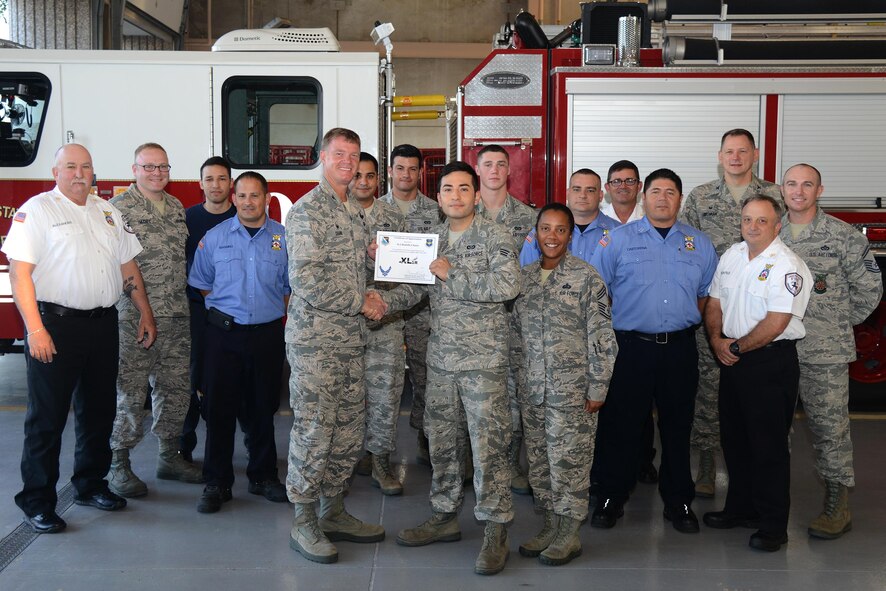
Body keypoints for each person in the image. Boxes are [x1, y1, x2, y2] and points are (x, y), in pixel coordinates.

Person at [3, 143, 155, 533]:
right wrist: (35, 330)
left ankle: (90, 484)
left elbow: (127, 264)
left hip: (102, 325)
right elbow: (19, 274)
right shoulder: (37, 211)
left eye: (85, 166)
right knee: (47, 418)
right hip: (55, 326)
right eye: (70, 166)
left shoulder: (107, 211)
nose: (79, 173)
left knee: (99, 411)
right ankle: (37, 500)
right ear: (55, 172)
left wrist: (145, 312)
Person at [383, 161, 521, 576]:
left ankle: (496, 531)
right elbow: (413, 288)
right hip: (442, 361)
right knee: (442, 444)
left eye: (464, 188)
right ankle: (444, 516)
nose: (456, 196)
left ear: (477, 195)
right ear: (439, 198)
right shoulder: (433, 240)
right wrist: (382, 297)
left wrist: (453, 274)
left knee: (488, 449)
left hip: (483, 364)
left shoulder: (496, 236)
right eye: (447, 189)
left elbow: (507, 286)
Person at [589, 168, 717, 534]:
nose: (663, 198)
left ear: (680, 198)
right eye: (656, 191)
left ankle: (679, 502)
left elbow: (706, 294)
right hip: (631, 349)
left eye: (671, 192)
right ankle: (612, 496)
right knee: (622, 426)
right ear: (644, 195)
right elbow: (600, 294)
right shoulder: (616, 240)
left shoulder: (699, 243)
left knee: (678, 429)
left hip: (680, 349)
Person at [286, 128, 387, 564]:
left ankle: (332, 510)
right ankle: (304, 519)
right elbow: (305, 280)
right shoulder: (309, 211)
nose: (348, 162)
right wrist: (360, 301)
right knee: (314, 430)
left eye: (355, 155)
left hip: (350, 340)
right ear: (323, 157)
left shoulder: (354, 211)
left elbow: (352, 264)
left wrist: (374, 256)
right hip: (316, 344)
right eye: (340, 154)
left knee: (347, 429)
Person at [703, 194, 812, 552]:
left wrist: (733, 347)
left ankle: (772, 526)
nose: (753, 226)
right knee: (734, 440)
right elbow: (715, 301)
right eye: (747, 219)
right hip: (732, 358)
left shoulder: (787, 265)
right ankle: (741, 508)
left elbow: (777, 321)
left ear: (777, 226)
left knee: (768, 448)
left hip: (768, 363)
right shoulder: (732, 256)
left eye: (762, 221)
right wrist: (717, 339)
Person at [778, 164, 882, 539]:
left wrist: (835, 323)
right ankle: (772, 502)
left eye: (807, 184)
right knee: (774, 428)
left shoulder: (842, 236)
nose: (799, 191)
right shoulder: (766, 231)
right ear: (782, 189)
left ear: (820, 190)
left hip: (825, 352)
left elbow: (870, 289)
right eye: (792, 184)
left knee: (829, 429)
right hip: (774, 351)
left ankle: (838, 504)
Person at [680, 129, 782, 498]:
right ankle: (706, 463)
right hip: (715, 308)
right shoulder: (701, 196)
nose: (735, 157)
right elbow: (687, 248)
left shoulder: (775, 195)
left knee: (758, 395)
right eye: (729, 151)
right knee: (708, 390)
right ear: (719, 156)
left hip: (761, 311)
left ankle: (755, 467)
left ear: (755, 154)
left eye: (742, 151)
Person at [514, 203, 617, 566]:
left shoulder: (588, 278)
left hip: (572, 391)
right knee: (540, 463)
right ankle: (549, 524)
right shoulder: (522, 278)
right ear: (536, 233)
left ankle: (570, 533)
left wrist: (598, 387)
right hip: (533, 390)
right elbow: (514, 337)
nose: (552, 237)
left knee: (569, 463)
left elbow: (603, 336)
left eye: (560, 230)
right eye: (545, 229)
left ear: (570, 235)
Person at [188, 171, 290, 513]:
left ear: (267, 198)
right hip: (224, 336)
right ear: (234, 198)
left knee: (263, 407)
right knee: (219, 410)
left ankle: (263, 476)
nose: (248, 202)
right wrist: (231, 312)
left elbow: (290, 288)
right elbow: (202, 285)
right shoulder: (214, 238)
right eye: (242, 196)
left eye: (255, 196)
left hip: (267, 336)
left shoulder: (283, 238)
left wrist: (263, 311)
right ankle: (217, 482)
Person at [107, 143, 202, 497]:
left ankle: (169, 455)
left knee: (175, 389)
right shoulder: (118, 210)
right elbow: (119, 266)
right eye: (149, 167)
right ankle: (118, 463)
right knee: (131, 393)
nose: (157, 173)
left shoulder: (176, 207)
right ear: (134, 169)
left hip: (177, 314)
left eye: (163, 167)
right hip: (134, 318)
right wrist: (144, 311)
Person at [474, 144, 537, 495]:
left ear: (509, 171)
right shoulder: (462, 213)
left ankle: (511, 462)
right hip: (473, 323)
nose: (495, 170)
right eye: (488, 164)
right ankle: (473, 460)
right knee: (474, 396)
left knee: (513, 395)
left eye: (501, 164)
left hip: (514, 319)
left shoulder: (528, 218)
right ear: (478, 170)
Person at [349, 152, 407, 495]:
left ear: (378, 180)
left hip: (386, 317)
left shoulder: (392, 217)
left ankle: (381, 461)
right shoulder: (337, 214)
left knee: (386, 392)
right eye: (357, 175)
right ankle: (353, 454)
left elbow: (406, 268)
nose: (363, 182)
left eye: (370, 176)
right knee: (350, 394)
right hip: (347, 320)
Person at [378, 144, 440, 465]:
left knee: (424, 375)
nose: (406, 175)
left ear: (420, 172)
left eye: (412, 169)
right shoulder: (374, 211)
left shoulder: (435, 211)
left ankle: (425, 434)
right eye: (400, 168)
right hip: (385, 308)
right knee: (384, 381)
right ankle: (377, 450)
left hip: (422, 308)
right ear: (390, 171)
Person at [180, 156, 238, 463]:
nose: (216, 185)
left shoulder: (244, 216)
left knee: (230, 381)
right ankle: (183, 447)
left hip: (234, 316)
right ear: (200, 183)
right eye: (209, 179)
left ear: (231, 183)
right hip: (197, 313)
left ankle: (235, 449)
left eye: (222, 178)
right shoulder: (187, 219)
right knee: (191, 378)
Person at [520, 168, 620, 265]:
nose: (583, 195)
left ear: (600, 196)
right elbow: (526, 275)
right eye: (577, 189)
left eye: (590, 190)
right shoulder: (542, 232)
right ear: (567, 194)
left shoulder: (617, 232)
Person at [601, 160, 644, 224]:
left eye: (629, 181)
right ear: (607, 188)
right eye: (616, 181)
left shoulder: (650, 219)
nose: (623, 186)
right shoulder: (598, 219)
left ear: (639, 186)